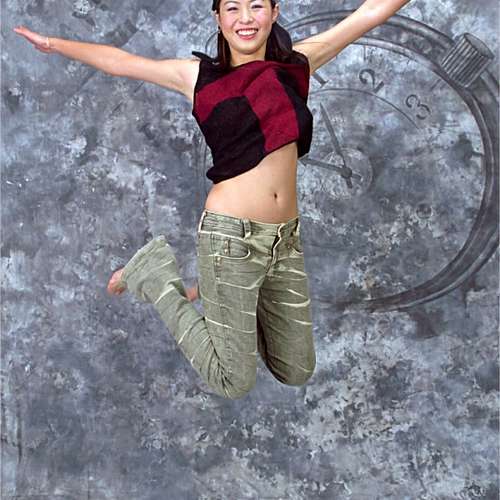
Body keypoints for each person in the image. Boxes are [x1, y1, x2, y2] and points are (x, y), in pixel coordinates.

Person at [14, 0, 408, 398]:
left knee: (296, 369)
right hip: (231, 237)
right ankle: (154, 276)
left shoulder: (295, 65)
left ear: (274, 12)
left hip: (284, 240)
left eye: (256, 6)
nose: (245, 18)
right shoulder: (197, 77)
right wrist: (52, 43)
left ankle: (218, 289)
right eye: (232, 8)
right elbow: (121, 62)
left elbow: (368, 14)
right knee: (232, 381)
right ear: (218, 18)